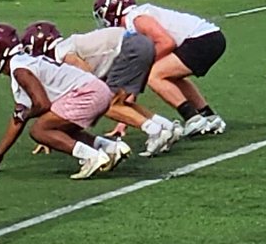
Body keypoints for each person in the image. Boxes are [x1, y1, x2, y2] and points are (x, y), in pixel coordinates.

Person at [0, 23, 130, 180]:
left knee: (39, 130)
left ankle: (91, 157)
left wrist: (27, 114)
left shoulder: (20, 70)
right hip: (96, 89)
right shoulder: (22, 64)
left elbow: (42, 104)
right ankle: (110, 147)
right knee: (58, 128)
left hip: (87, 92)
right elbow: (17, 119)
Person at [20, 20, 179, 157]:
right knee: (119, 102)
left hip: (129, 47)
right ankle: (166, 126)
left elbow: (87, 76)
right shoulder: (66, 46)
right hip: (139, 43)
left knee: (108, 104)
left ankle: (155, 131)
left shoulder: (61, 52)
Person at [93, 0, 227, 135]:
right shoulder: (136, 19)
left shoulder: (137, 19)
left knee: (155, 75)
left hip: (202, 39)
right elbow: (134, 85)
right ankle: (207, 115)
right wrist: (123, 121)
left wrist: (145, 65)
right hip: (209, 38)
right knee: (168, 75)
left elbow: (166, 42)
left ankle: (193, 119)